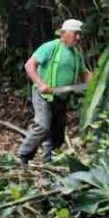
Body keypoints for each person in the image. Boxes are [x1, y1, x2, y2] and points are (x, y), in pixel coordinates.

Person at [18, 19, 91, 163]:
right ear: (64, 34)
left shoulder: (76, 54)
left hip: (61, 98)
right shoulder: (50, 47)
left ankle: (48, 162)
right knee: (43, 127)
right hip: (43, 96)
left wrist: (97, 84)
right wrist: (41, 84)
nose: (78, 38)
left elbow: (85, 74)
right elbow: (29, 65)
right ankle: (23, 156)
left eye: (79, 34)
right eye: (75, 34)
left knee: (57, 135)